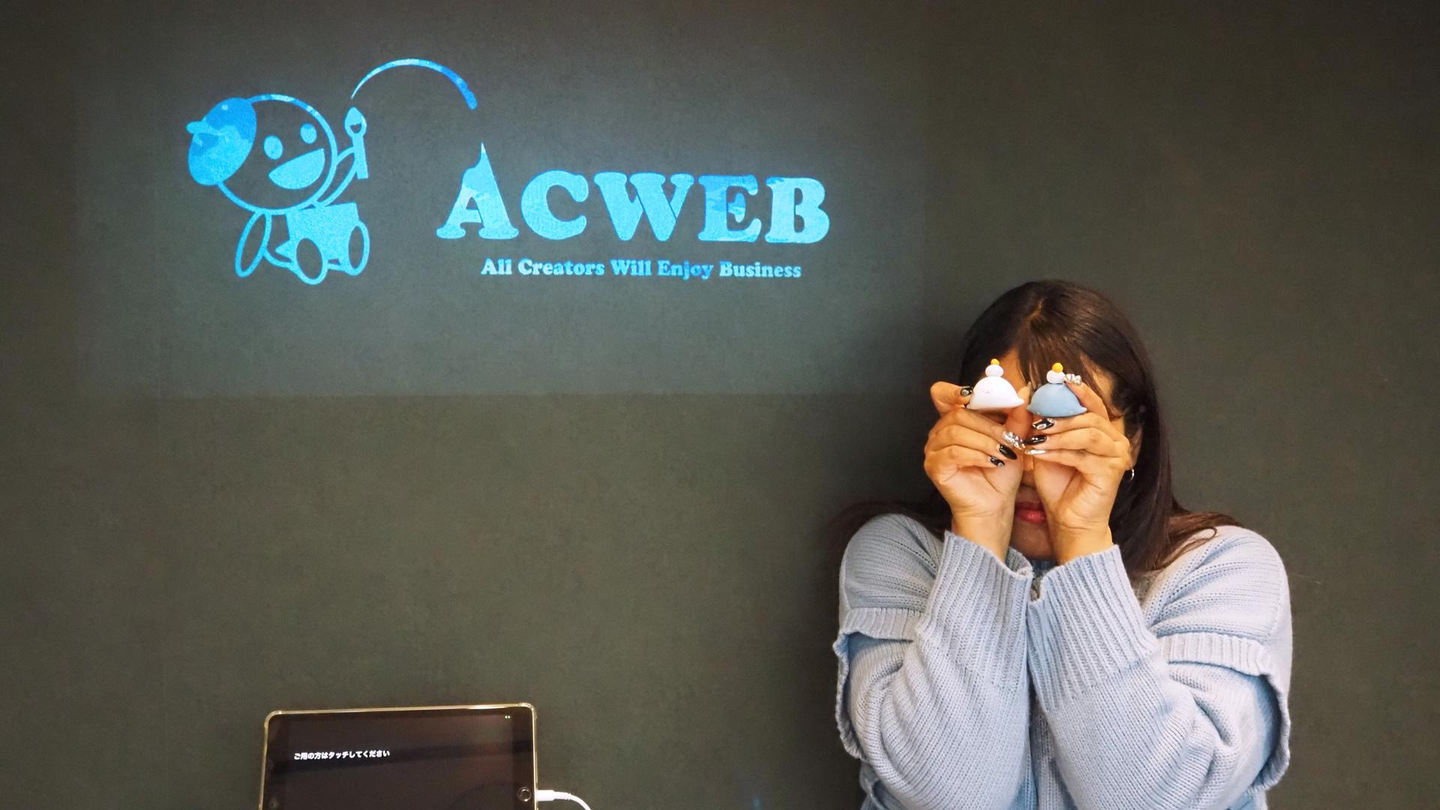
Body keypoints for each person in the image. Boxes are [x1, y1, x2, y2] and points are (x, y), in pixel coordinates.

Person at [828, 280, 1292, 809]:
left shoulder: (1223, 569)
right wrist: (980, 529)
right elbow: (952, 796)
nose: (1029, 466)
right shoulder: (898, 557)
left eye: (1064, 426)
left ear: (1133, 438)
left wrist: (1083, 538)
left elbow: (1158, 799)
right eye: (999, 421)